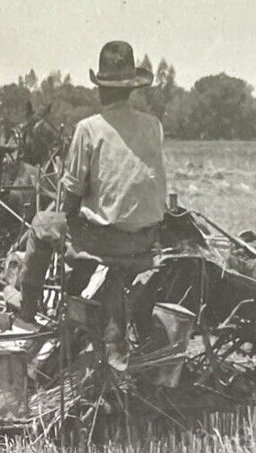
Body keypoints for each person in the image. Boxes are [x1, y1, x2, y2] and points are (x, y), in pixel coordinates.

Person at [9, 40, 169, 368]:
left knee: (41, 223)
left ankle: (25, 318)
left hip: (106, 242)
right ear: (131, 89)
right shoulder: (154, 125)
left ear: (101, 90)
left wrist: (66, 215)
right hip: (147, 239)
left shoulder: (89, 129)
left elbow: (70, 195)